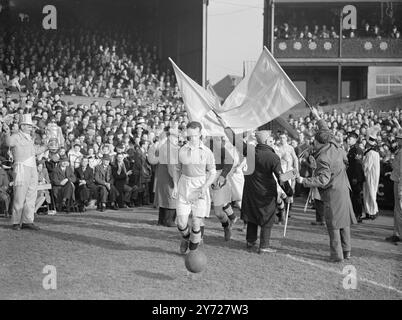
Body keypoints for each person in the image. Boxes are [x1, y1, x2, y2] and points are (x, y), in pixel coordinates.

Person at [297, 107, 357, 262]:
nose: (313, 143)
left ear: (318, 142)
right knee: (344, 222)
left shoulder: (323, 158)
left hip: (332, 192)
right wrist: (317, 116)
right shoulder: (332, 143)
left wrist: (304, 181)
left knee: (334, 224)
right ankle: (347, 250)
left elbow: (322, 180)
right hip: (343, 188)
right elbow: (325, 129)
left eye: (314, 142)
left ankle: (336, 255)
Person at [239, 129, 292, 253]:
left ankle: (250, 240)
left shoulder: (250, 151)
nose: (273, 142)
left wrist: (225, 127)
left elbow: (236, 142)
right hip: (266, 192)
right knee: (266, 218)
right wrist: (289, 192)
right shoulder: (272, 157)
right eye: (271, 140)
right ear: (267, 141)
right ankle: (264, 245)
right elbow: (281, 178)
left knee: (252, 215)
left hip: (250, 190)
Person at [172, 121, 216, 254]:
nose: (192, 139)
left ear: (200, 134)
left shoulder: (207, 152)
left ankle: (192, 251)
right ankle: (186, 238)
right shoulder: (182, 150)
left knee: (196, 222)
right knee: (181, 223)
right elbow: (176, 169)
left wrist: (205, 186)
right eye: (189, 136)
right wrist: (175, 185)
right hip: (184, 186)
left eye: (194, 136)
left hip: (200, 187)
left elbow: (212, 172)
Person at [6, 114, 48, 230]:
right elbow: (8, 143)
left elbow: (35, 151)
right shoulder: (16, 136)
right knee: (20, 195)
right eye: (29, 126)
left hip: (32, 168)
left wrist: (46, 146)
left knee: (31, 195)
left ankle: (27, 221)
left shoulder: (29, 138)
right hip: (21, 167)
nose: (31, 128)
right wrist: (7, 129)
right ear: (23, 126)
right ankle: (16, 221)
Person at [147, 127, 180, 227]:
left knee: (164, 200)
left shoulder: (164, 147)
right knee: (171, 199)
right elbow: (171, 167)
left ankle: (161, 221)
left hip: (162, 176)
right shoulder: (170, 149)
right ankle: (169, 221)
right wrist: (176, 181)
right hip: (168, 177)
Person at [387, 129, 402, 244]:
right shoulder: (400, 151)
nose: (397, 140)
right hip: (397, 181)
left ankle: (398, 235)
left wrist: (401, 189)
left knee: (399, 210)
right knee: (398, 210)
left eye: (399, 139)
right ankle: (397, 233)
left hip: (399, 183)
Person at [362, 126, 381, 220]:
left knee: (370, 193)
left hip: (370, 176)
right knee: (371, 193)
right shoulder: (375, 152)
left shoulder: (370, 153)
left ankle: (372, 211)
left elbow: (366, 166)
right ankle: (370, 211)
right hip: (373, 176)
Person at [346, 132, 365, 223]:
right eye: (348, 138)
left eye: (350, 138)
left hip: (355, 177)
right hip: (350, 176)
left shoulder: (357, 150)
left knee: (356, 196)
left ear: (355, 139)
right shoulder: (351, 149)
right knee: (352, 196)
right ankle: (353, 214)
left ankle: (358, 215)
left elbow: (358, 165)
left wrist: (355, 178)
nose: (348, 140)